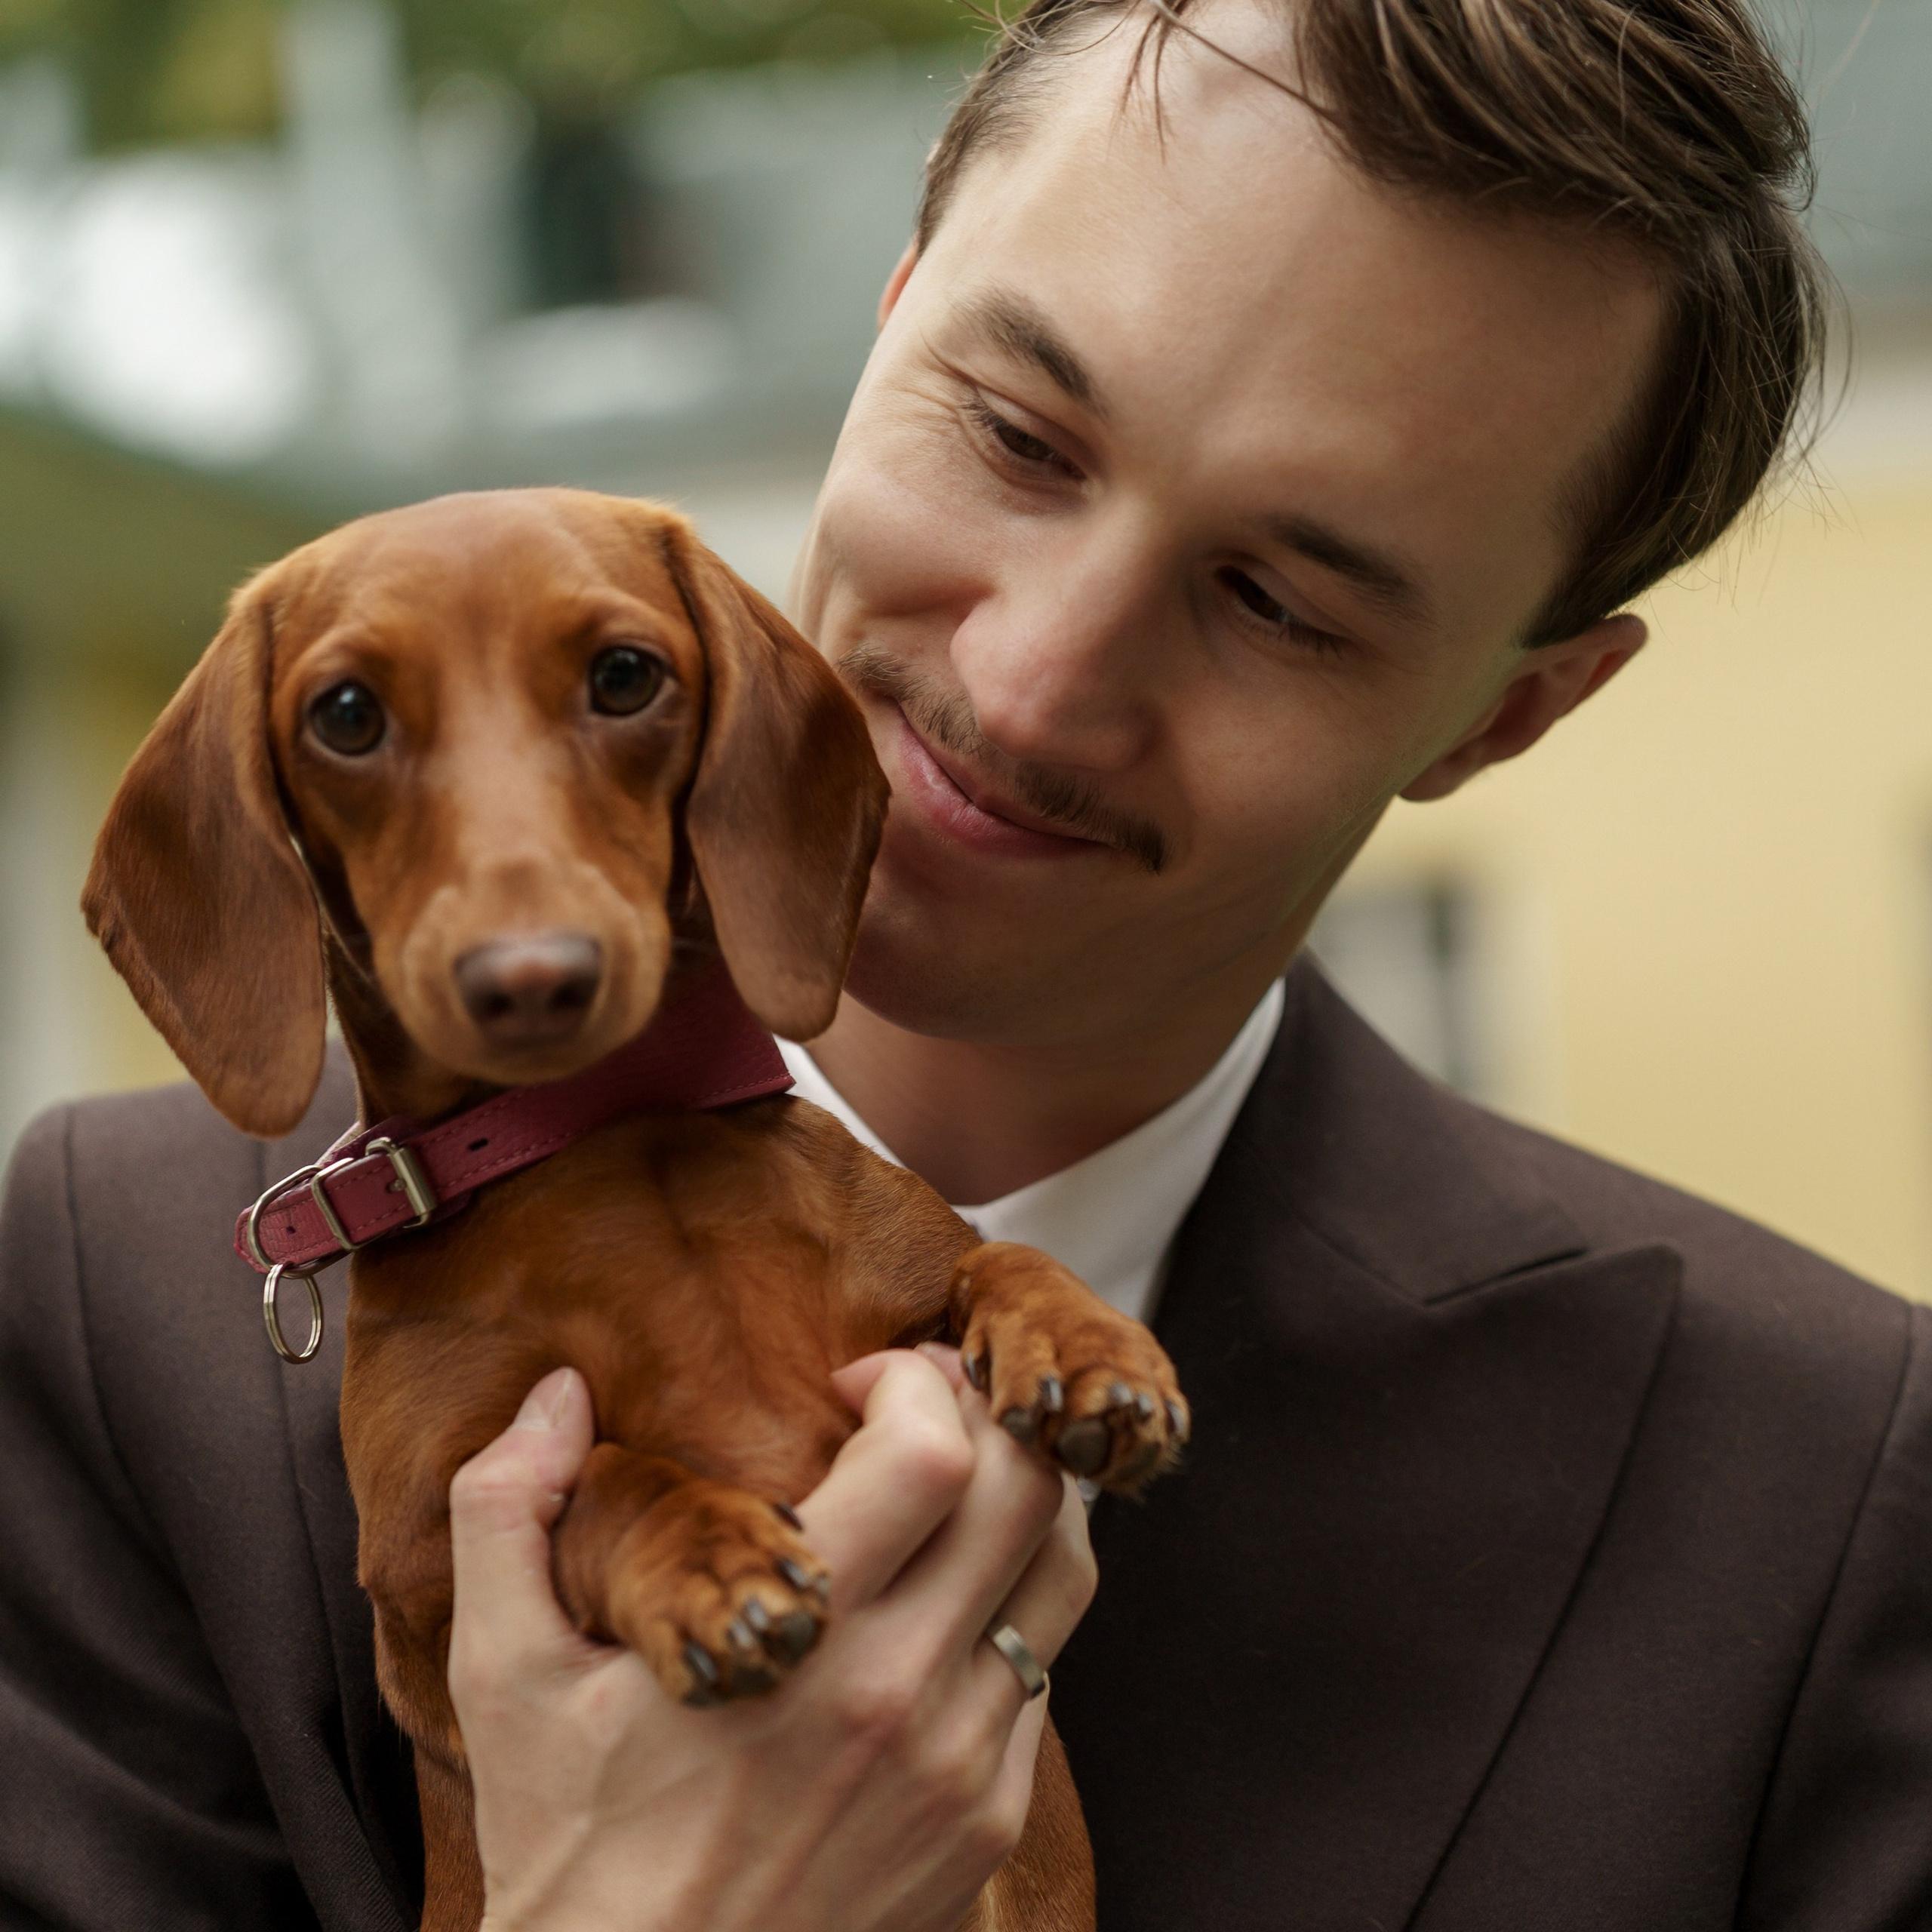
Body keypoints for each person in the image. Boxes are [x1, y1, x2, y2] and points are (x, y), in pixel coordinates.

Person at [4, 0, 1927, 1927]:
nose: (1024, 685)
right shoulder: (106, 1311)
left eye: (1276, 597)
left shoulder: (1824, 1511)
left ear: (1505, 717)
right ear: (891, 305)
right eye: (1013, 434)